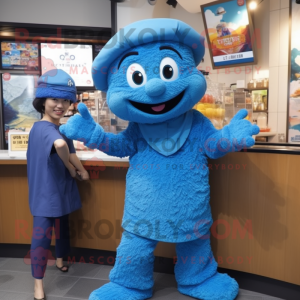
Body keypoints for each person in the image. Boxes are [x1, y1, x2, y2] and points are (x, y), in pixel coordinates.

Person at [27, 69, 89, 300]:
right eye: (55, 99)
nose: (60, 105)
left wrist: (80, 169)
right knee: (42, 237)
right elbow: (62, 147)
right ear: (42, 101)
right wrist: (73, 170)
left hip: (59, 188)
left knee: (63, 226)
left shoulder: (62, 128)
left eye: (65, 100)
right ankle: (38, 284)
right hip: (45, 193)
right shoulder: (43, 128)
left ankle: (61, 259)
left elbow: (70, 150)